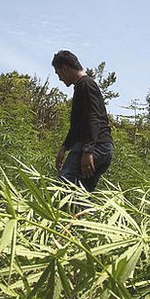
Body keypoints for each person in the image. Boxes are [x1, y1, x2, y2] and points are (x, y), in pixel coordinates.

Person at [52, 50, 114, 193]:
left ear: (65, 68)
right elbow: (78, 125)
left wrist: (88, 151)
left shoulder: (85, 84)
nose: (60, 78)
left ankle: (50, 214)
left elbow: (94, 117)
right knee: (80, 196)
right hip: (104, 148)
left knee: (61, 188)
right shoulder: (83, 86)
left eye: (58, 73)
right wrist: (64, 148)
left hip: (96, 146)